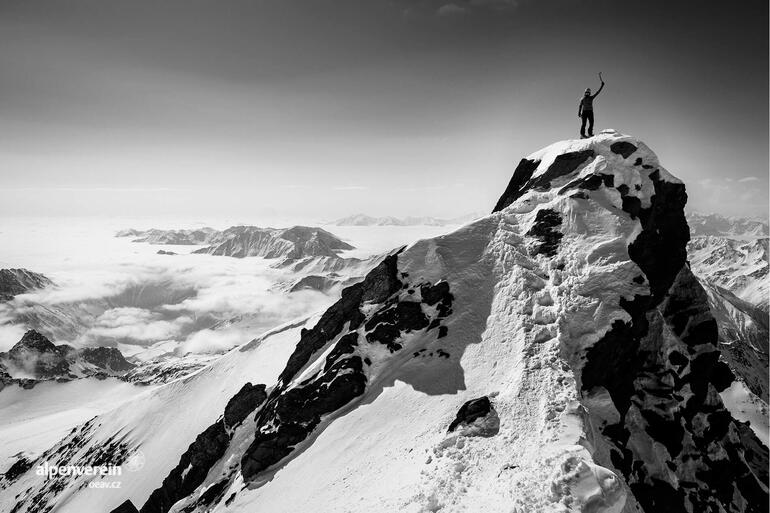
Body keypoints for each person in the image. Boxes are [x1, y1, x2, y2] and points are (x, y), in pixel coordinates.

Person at [578, 72, 605, 138]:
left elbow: (597, 92)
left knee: (591, 123)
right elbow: (580, 106)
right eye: (586, 92)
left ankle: (590, 133)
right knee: (584, 124)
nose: (587, 93)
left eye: (588, 92)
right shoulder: (582, 99)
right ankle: (582, 134)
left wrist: (602, 86)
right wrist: (579, 112)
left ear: (589, 93)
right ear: (585, 93)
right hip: (584, 112)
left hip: (590, 112)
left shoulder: (591, 98)